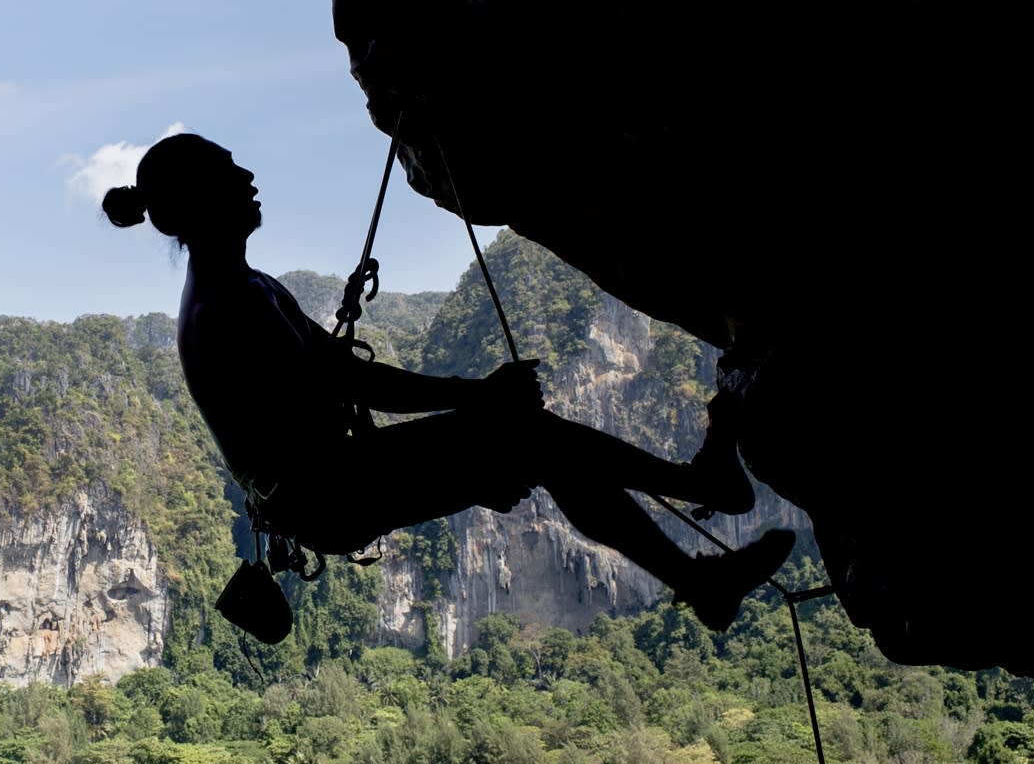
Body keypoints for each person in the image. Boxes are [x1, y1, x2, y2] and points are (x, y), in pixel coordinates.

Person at [103, 133, 793, 637]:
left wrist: (475, 406)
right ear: (196, 203)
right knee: (527, 435)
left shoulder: (247, 286)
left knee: (536, 445)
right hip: (330, 493)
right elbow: (359, 381)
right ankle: (700, 502)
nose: (249, 175)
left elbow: (346, 376)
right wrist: (477, 396)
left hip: (330, 487)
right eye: (228, 171)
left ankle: (701, 561)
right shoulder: (228, 301)